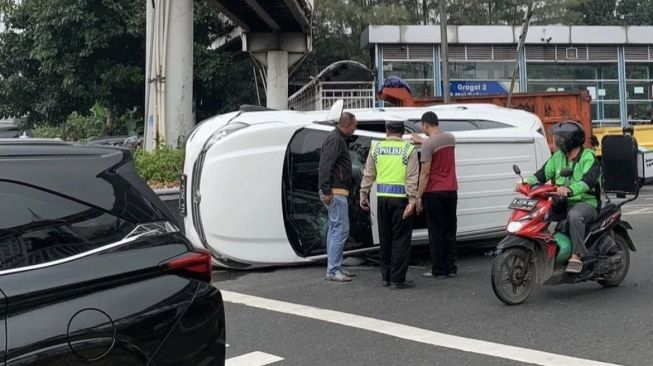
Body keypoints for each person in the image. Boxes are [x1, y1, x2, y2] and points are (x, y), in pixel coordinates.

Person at [520, 121, 600, 273]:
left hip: (587, 202)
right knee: (544, 213)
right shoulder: (558, 156)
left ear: (571, 140)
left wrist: (570, 189)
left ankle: (577, 256)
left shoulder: (588, 157)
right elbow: (542, 174)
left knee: (574, 215)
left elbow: (589, 180)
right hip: (564, 201)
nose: (556, 141)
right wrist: (525, 183)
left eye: (560, 138)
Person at [360, 120, 419, 289]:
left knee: (385, 238)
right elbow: (412, 178)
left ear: (387, 132)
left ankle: (386, 277)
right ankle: (397, 279)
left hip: (382, 199)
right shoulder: (409, 149)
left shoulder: (376, 148)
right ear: (402, 133)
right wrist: (413, 200)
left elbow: (368, 174)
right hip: (400, 199)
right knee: (400, 239)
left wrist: (363, 194)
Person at [412, 111, 459, 279]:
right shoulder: (450, 138)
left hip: (434, 192)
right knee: (449, 230)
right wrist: (423, 141)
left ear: (425, 125)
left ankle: (438, 269)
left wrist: (418, 197)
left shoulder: (427, 145)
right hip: (451, 190)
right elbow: (435, 142)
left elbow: (425, 173)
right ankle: (451, 267)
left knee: (436, 232)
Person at [318, 112, 358, 282]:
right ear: (347, 125)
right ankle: (333, 270)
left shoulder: (336, 138)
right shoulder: (336, 139)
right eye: (354, 126)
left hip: (334, 190)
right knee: (340, 230)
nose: (355, 129)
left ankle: (335, 266)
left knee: (335, 229)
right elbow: (326, 165)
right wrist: (327, 190)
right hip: (336, 192)